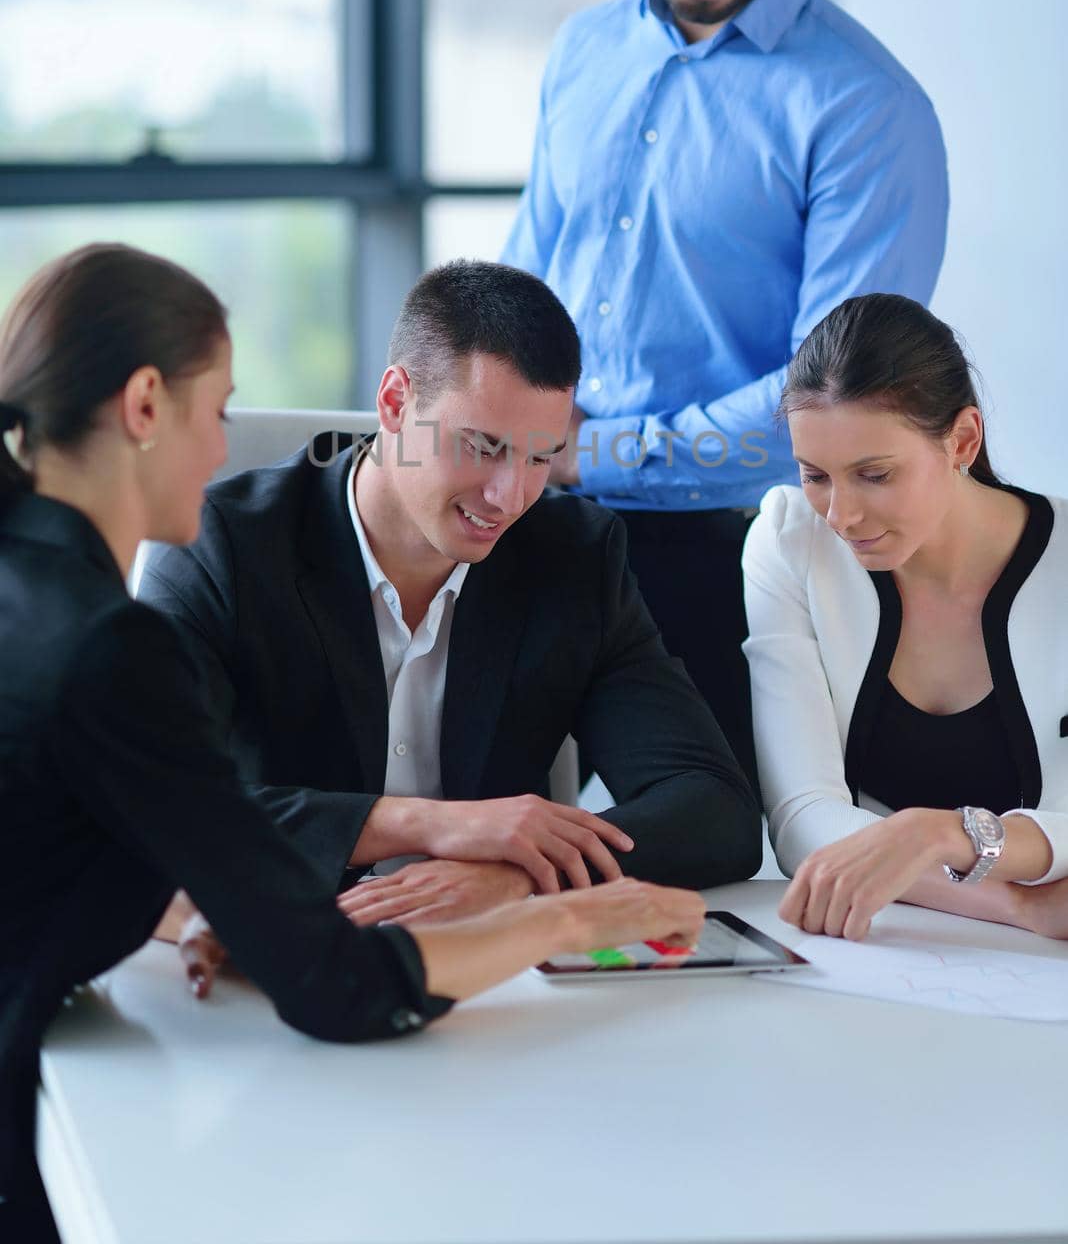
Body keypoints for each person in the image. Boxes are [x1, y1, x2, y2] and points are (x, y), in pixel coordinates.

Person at [0, 243, 709, 1243]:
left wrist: (208, 906)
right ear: (148, 406)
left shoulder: (31, 593)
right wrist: (581, 914)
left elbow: (106, 830)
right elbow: (341, 986)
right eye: (219, 411)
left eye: (539, 457)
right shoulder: (123, 630)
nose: (225, 445)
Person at [501, 0, 949, 790]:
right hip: (527, 520)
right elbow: (523, 288)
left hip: (725, 561)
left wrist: (593, 455)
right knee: (473, 822)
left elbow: (837, 403)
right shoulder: (584, 51)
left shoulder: (865, 112)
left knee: (696, 864)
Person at [139, 259, 758, 963]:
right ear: (396, 401)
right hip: (279, 957)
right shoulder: (218, 547)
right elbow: (155, 801)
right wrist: (428, 826)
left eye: (540, 457)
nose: (511, 496)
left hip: (488, 976)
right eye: (484, 447)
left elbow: (715, 808)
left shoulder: (573, 556)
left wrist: (515, 871)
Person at [742, 292, 1068, 942]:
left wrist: (942, 833)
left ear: (962, 440)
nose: (841, 516)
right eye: (817, 475)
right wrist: (1017, 906)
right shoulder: (789, 539)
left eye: (874, 474)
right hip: (892, 953)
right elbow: (803, 819)